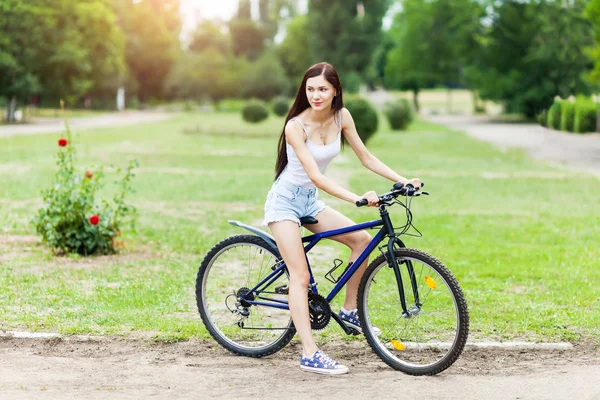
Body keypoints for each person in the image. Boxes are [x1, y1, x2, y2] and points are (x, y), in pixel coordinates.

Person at [262, 62, 422, 375]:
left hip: (309, 201)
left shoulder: (342, 117)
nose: (315, 95)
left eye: (322, 89)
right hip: (285, 203)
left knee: (361, 241)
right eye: (310, 89)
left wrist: (402, 180)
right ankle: (309, 353)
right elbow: (315, 176)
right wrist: (356, 199)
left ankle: (350, 311)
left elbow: (366, 157)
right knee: (301, 277)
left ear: (335, 89)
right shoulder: (295, 126)